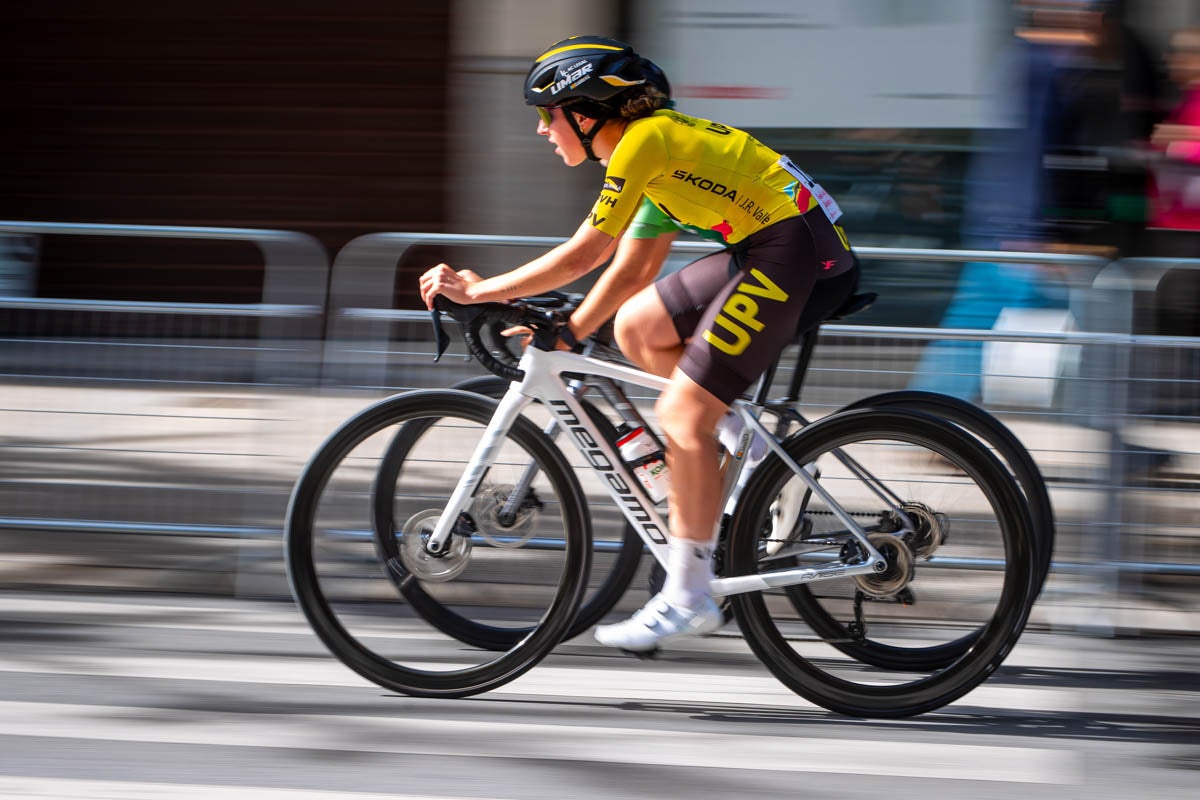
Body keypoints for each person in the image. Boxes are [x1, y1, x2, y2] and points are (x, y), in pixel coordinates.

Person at [418, 36, 859, 652]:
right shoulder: (656, 154)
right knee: (637, 326)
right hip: (774, 246)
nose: (544, 131)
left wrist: (478, 289)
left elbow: (588, 250)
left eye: (549, 115)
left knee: (682, 413)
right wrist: (571, 331)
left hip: (797, 252)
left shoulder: (643, 142)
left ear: (587, 110)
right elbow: (631, 269)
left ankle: (688, 595)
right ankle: (757, 455)